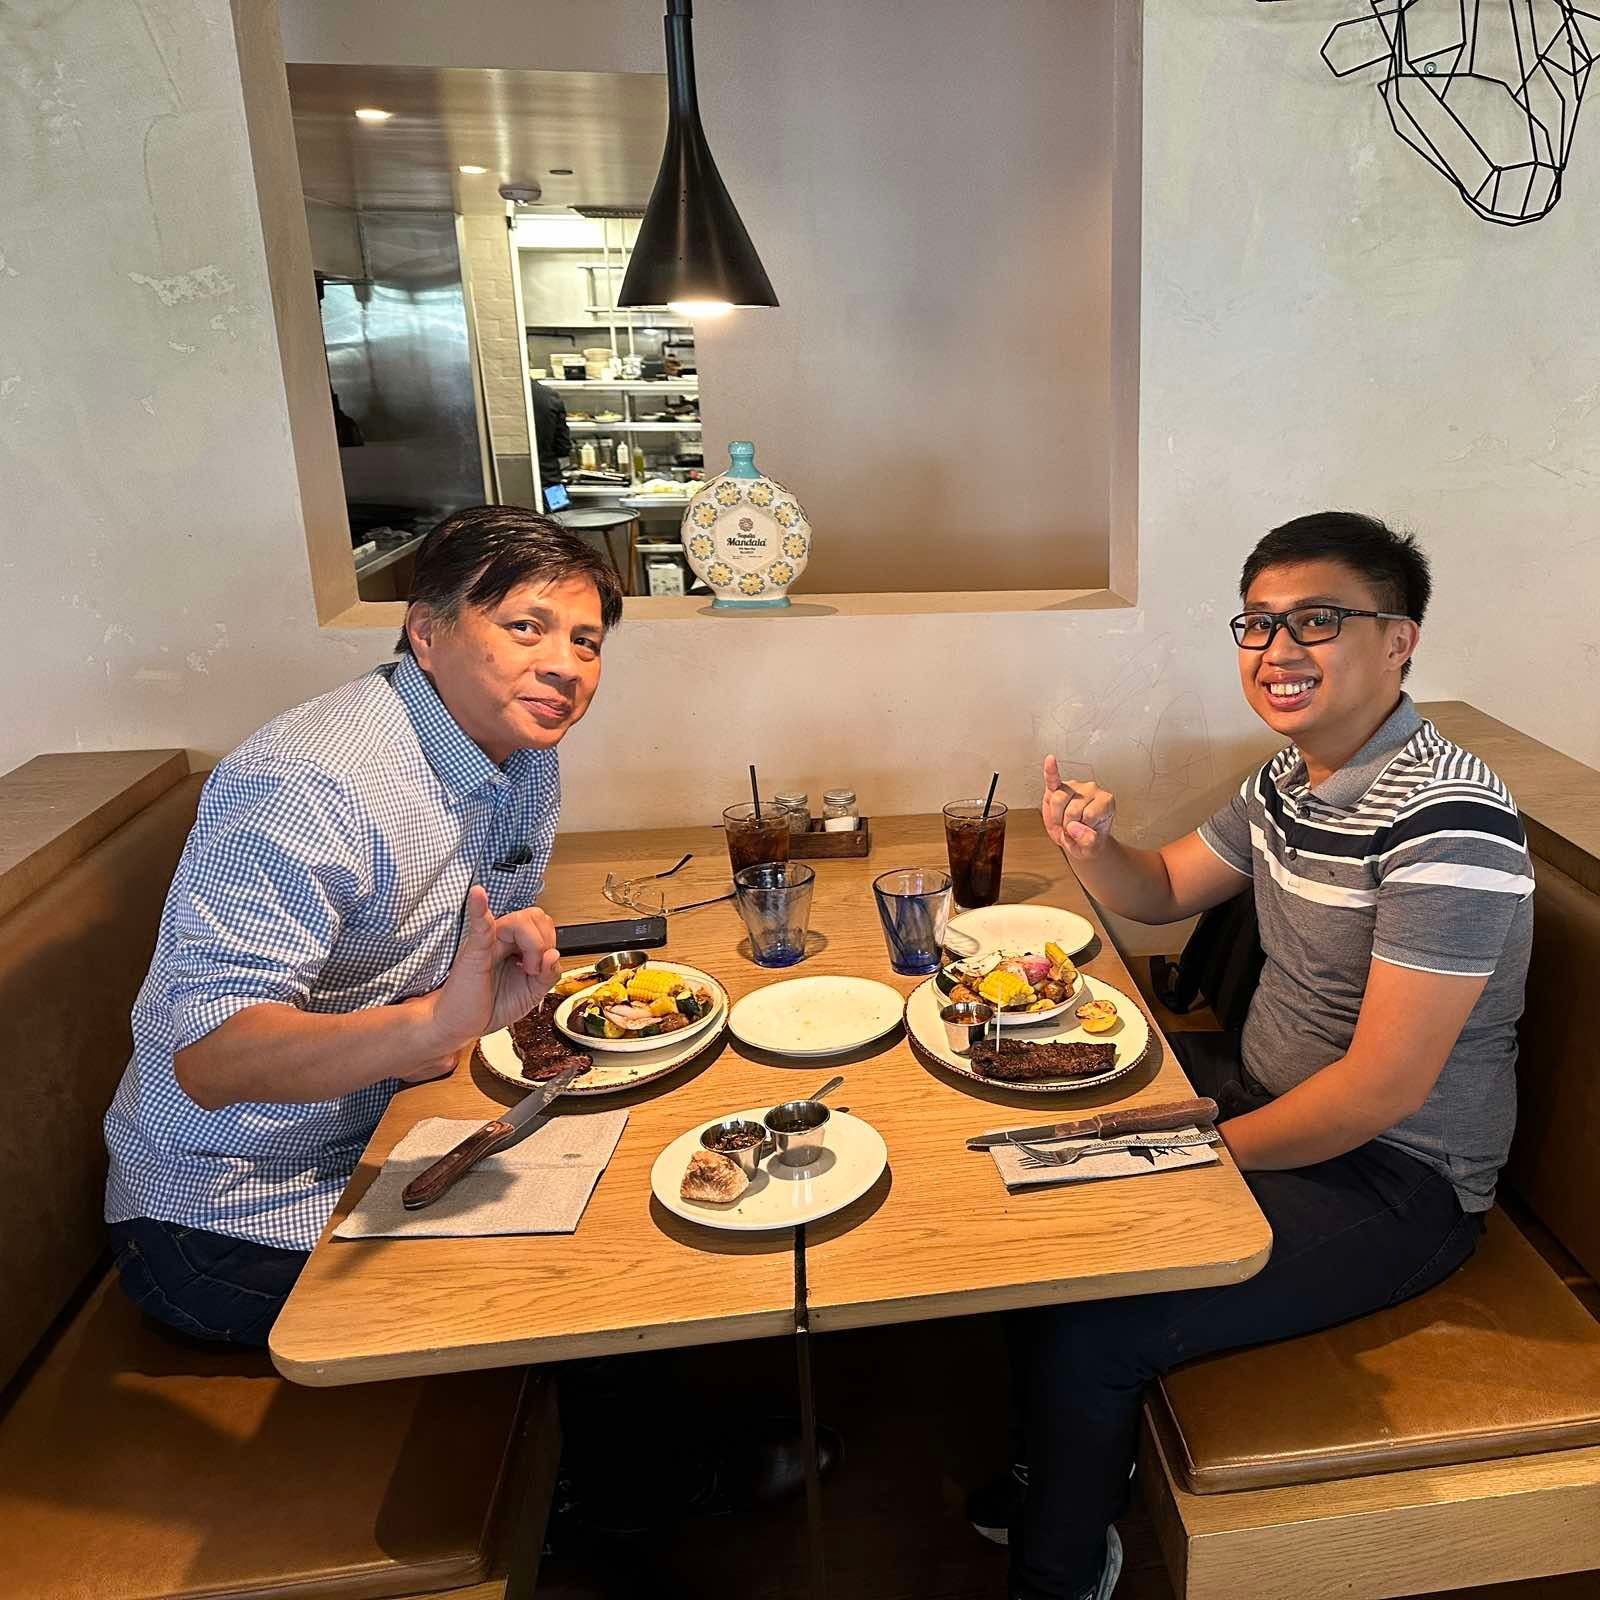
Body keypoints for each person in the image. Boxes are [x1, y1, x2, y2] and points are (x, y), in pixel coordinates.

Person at [974, 512, 1534, 1600]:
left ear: (1398, 640)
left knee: (1096, 1322)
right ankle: (1065, 1472)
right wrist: (1094, 848)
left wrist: (1198, 1153)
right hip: (1265, 1101)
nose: (1278, 652)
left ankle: (1064, 1567)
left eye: (1316, 621)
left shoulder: (1448, 819)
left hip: (1398, 1176)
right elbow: (1167, 888)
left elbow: (1379, 1090)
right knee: (1024, 1213)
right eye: (1258, 624)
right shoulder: (1289, 777)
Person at [102, 506, 623, 1346]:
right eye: (526, 627)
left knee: (630, 1176)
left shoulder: (519, 749)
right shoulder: (311, 781)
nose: (563, 666)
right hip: (225, 1217)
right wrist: (431, 1024)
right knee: (573, 1281)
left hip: (387, 1135)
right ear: (426, 632)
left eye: (586, 643)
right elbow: (208, 1060)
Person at [531, 376, 573, 492]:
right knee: (558, 510)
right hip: (549, 479)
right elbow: (563, 447)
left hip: (518, 481)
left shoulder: (500, 398)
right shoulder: (549, 395)